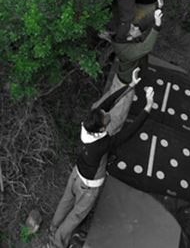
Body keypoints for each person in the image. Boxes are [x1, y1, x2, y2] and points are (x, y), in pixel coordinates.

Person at [47, 70, 154, 248]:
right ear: (101, 130)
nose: (107, 116)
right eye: (106, 120)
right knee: (77, 215)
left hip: (76, 174)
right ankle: (56, 244)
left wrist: (131, 85)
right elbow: (129, 131)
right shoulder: (101, 145)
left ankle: (53, 229)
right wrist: (148, 106)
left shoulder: (86, 124)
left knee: (66, 201)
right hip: (88, 185)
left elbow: (108, 102)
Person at [111, 0, 163, 84]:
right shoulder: (127, 52)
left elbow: (145, 20)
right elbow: (147, 47)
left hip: (138, 69)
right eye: (133, 29)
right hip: (127, 82)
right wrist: (157, 25)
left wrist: (158, 6)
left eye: (133, 26)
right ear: (129, 38)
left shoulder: (125, 37)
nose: (136, 27)